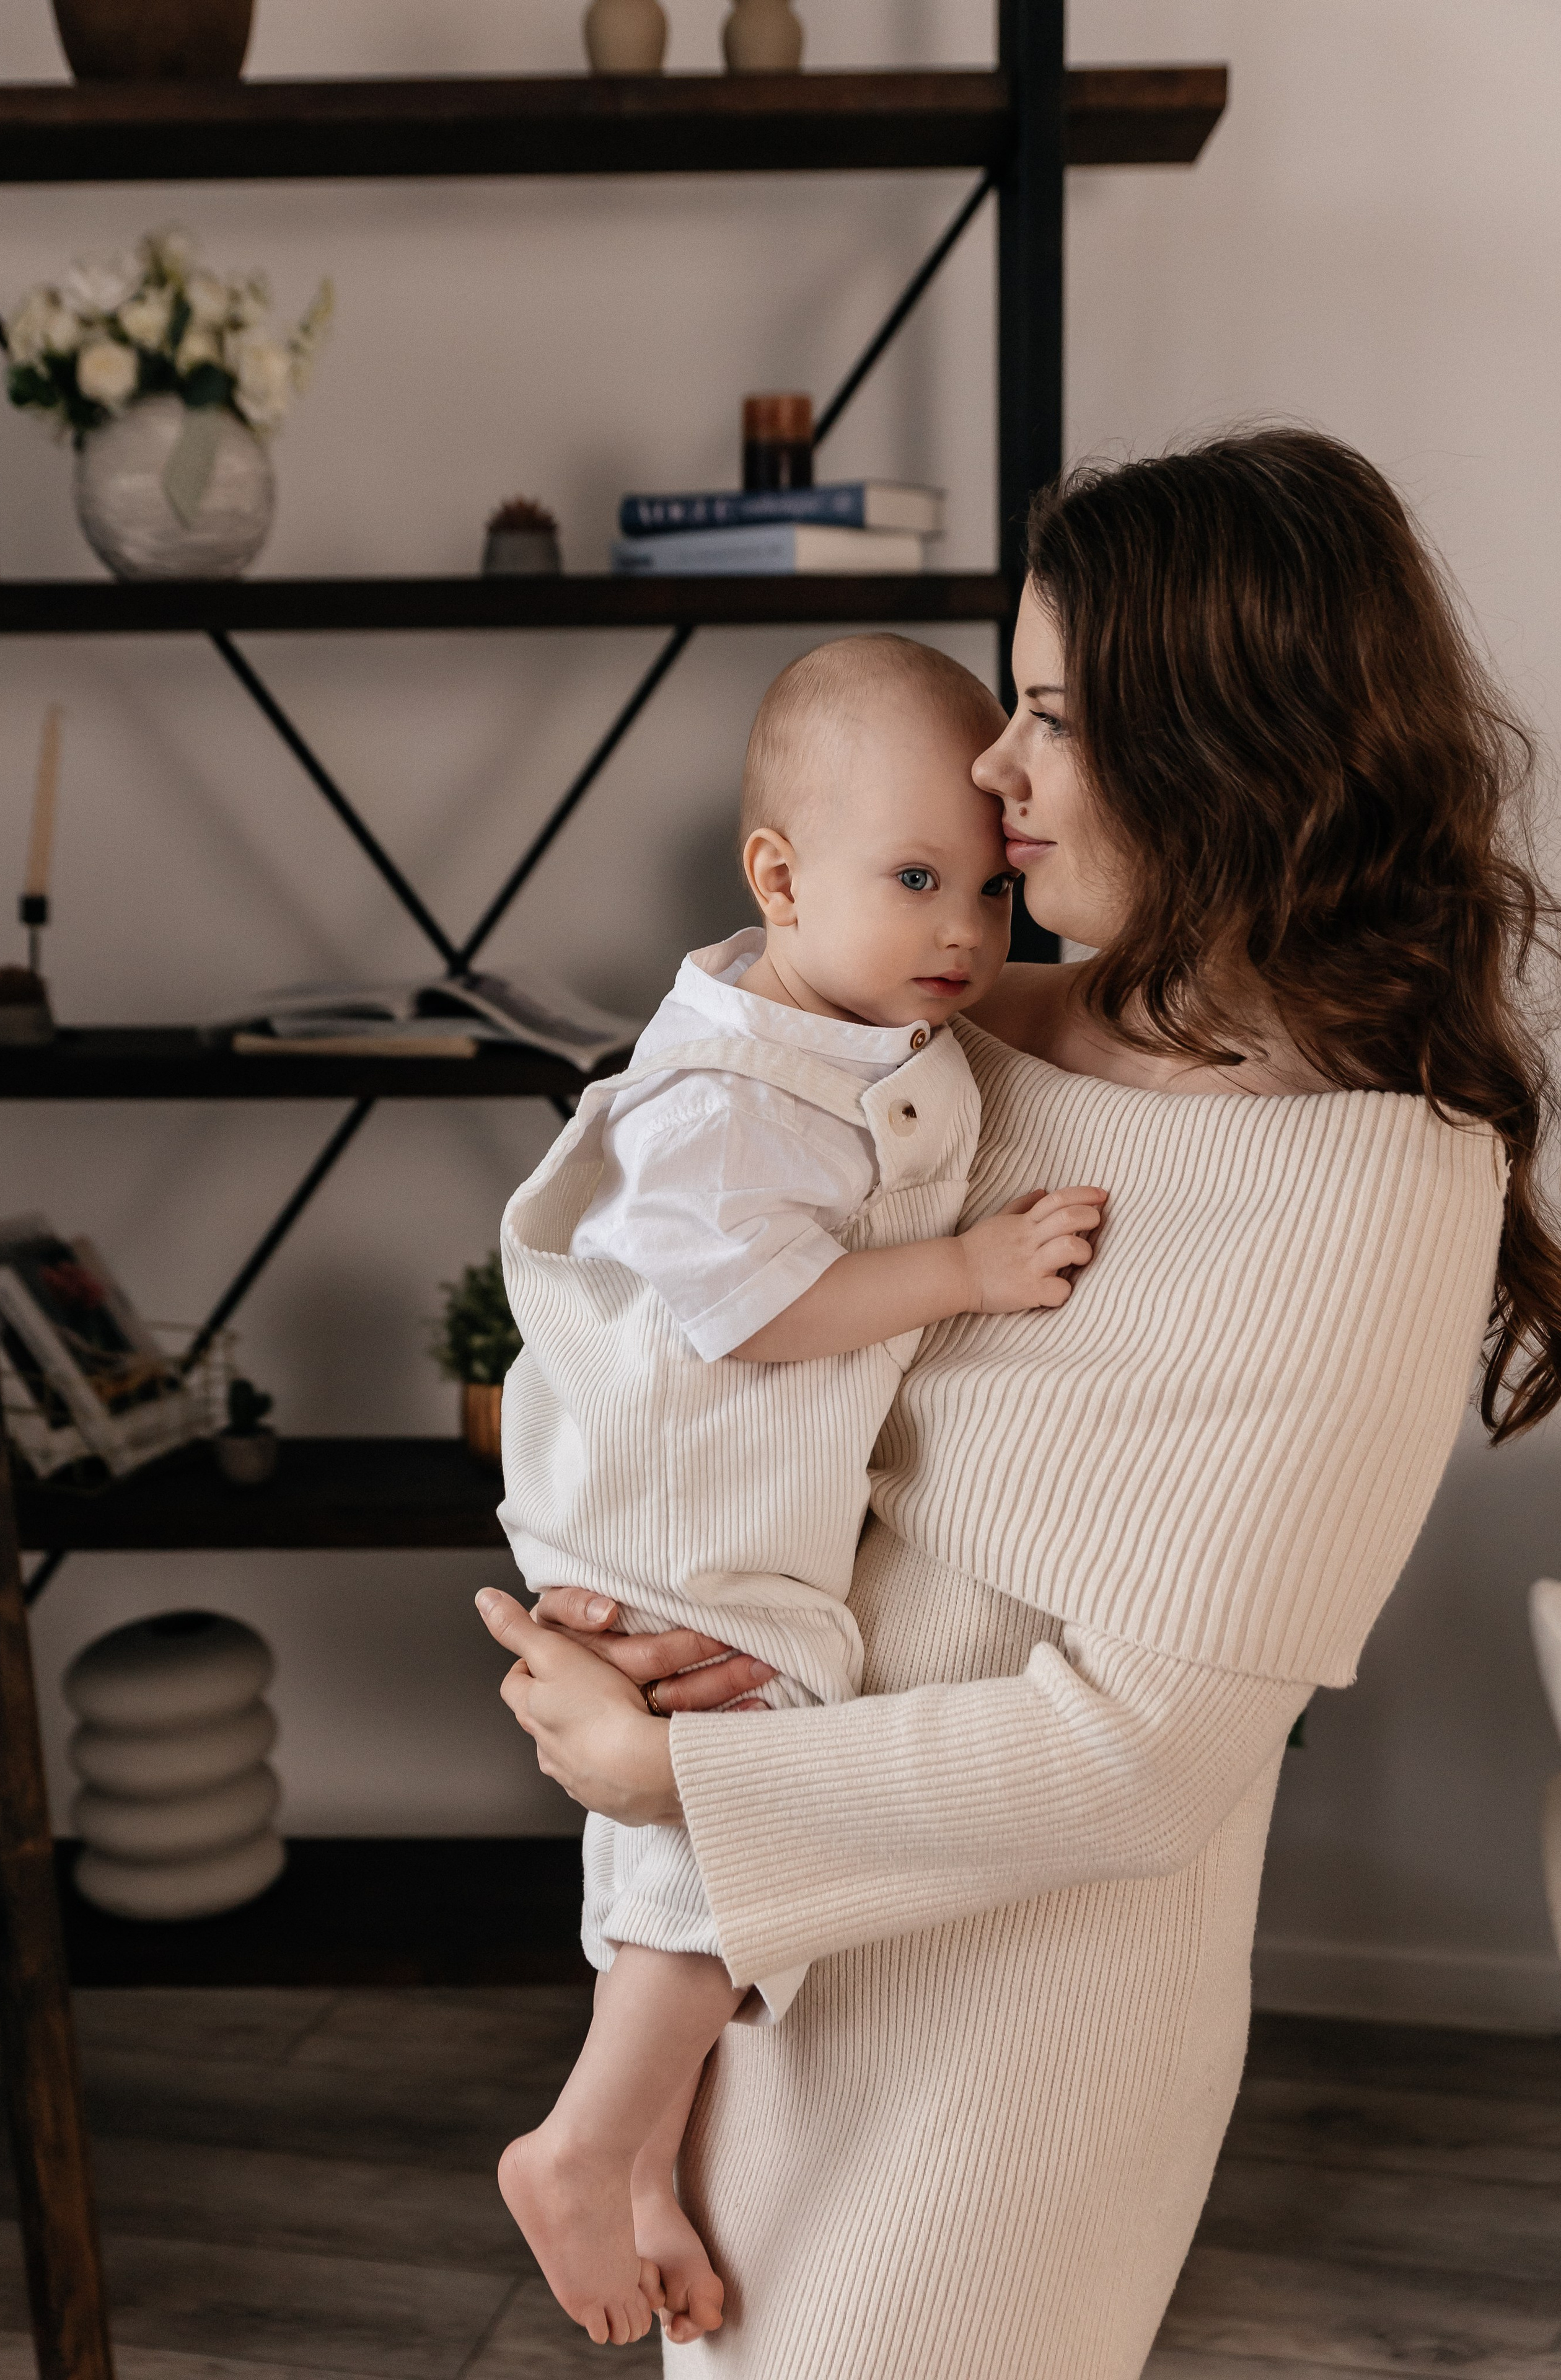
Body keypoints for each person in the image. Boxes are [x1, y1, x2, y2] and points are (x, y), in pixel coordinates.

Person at [477, 427, 1561, 2378]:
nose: (992, 768)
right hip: (743, 1961)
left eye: (1050, 716)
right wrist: (621, 1631)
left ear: (1221, 749)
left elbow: (1140, 1759)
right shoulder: (958, 1034)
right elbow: (703, 1312)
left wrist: (673, 1776)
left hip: (1001, 2056)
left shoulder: (1384, 1186)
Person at [495, 633, 1105, 2345]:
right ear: (775, 875)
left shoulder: (844, 1028)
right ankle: (583, 2142)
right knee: (744, 1782)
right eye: (914, 881)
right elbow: (758, 1312)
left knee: (660, 1831)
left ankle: (637, 2177)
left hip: (695, 1523)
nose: (968, 937)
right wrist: (972, 1270)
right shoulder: (721, 1094)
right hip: (676, 1514)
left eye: (989, 890)